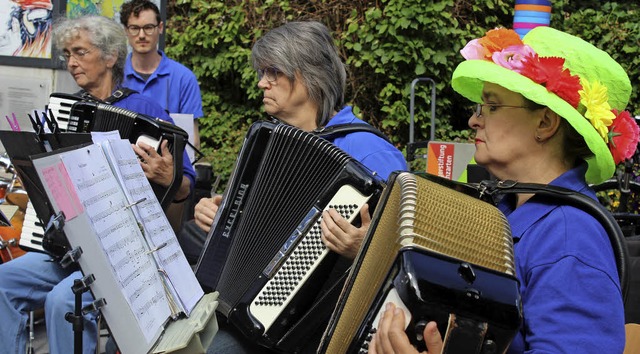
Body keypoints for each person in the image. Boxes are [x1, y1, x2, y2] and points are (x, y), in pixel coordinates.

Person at [370, 26, 638, 353]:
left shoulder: (569, 238)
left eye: (492, 106)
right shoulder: (508, 209)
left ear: (545, 124)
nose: (474, 120)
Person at [192, 21, 407, 353]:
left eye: (273, 72)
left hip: (315, 329)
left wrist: (366, 248)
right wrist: (220, 216)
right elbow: (255, 226)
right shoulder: (271, 143)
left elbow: (406, 255)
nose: (262, 82)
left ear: (308, 75)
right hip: (244, 306)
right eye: (263, 72)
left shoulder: (370, 152)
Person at [0, 15, 196, 354]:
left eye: (79, 52)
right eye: (66, 54)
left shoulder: (144, 110)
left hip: (123, 254)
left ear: (109, 56)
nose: (71, 62)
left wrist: (171, 179)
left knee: (64, 301)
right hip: (71, 245)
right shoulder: (63, 110)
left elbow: (185, 185)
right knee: (4, 281)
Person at [119, 0, 204, 150]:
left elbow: (192, 141)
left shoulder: (184, 78)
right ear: (126, 30)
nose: (142, 35)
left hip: (167, 165)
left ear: (160, 28)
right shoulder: (115, 75)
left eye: (148, 28)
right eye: (134, 28)